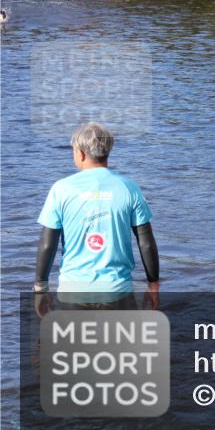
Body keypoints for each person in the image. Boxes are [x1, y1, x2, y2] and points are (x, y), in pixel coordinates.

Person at [34, 122, 160, 313]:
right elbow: (146, 243)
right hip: (118, 293)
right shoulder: (129, 188)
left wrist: (40, 289)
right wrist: (153, 286)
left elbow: (47, 245)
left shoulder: (61, 189)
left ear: (81, 154)